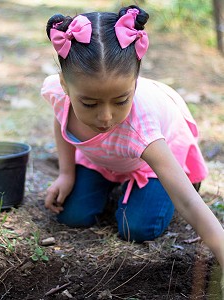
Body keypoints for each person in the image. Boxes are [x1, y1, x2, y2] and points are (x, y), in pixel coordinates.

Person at [41, 4, 224, 284]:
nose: (105, 117)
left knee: (136, 227)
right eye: (89, 103)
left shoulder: (142, 129)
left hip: (151, 160)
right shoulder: (58, 93)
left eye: (120, 100)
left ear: (135, 83)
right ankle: (116, 180)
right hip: (106, 156)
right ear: (65, 86)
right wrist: (66, 172)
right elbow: (60, 119)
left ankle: (165, 182)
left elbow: (189, 202)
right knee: (71, 215)